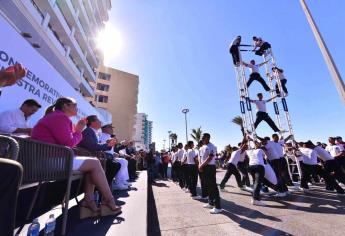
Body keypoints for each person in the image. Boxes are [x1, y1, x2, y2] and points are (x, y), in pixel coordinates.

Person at [31, 97, 121, 216]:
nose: (77, 108)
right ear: (65, 106)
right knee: (94, 163)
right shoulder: (59, 117)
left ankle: (89, 203)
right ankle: (108, 202)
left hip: (49, 159)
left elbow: (68, 142)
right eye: (74, 105)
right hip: (50, 161)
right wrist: (78, 130)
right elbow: (69, 143)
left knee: (92, 166)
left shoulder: (56, 117)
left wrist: (77, 131)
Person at [77, 115, 122, 189]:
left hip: (92, 157)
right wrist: (107, 145)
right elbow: (93, 146)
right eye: (98, 120)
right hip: (88, 157)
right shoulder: (88, 131)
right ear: (92, 122)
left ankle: (103, 189)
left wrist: (108, 144)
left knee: (115, 165)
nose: (100, 122)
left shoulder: (92, 132)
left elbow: (94, 145)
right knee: (113, 165)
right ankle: (102, 189)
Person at [100, 124, 132, 190]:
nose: (112, 129)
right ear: (105, 128)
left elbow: (110, 149)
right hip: (104, 157)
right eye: (110, 128)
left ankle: (121, 181)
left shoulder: (108, 136)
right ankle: (116, 183)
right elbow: (102, 147)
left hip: (110, 156)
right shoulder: (101, 135)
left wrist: (114, 153)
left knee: (124, 161)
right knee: (121, 162)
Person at [199, 133, 222, 214]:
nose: (201, 139)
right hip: (204, 167)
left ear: (208, 138)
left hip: (210, 168)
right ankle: (211, 202)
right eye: (201, 138)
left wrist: (201, 165)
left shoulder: (211, 146)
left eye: (203, 137)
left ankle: (218, 207)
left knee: (213, 187)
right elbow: (201, 158)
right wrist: (200, 166)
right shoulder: (203, 147)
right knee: (208, 186)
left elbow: (210, 157)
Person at [246, 141, 267, 206]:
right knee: (258, 183)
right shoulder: (260, 150)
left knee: (255, 182)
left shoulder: (249, 151)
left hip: (251, 167)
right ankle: (255, 199)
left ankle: (256, 198)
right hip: (259, 166)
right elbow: (265, 157)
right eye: (259, 144)